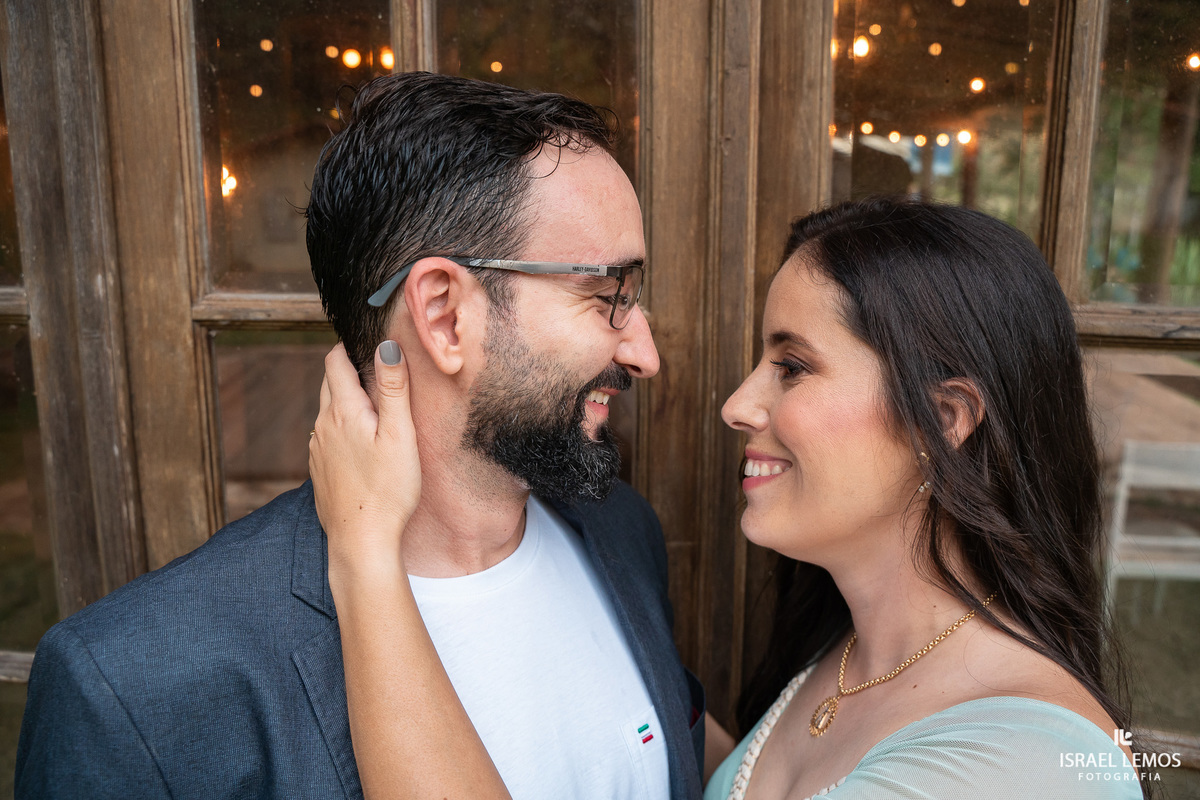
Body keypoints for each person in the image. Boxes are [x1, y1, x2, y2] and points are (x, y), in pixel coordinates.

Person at [15, 73, 707, 799]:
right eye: (607, 295)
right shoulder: (133, 691)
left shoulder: (623, 531)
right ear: (444, 315)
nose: (645, 354)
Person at [312, 198, 1147, 799]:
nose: (738, 405)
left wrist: (364, 552)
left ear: (946, 419)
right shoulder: (841, 662)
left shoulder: (1022, 764)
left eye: (793, 366)